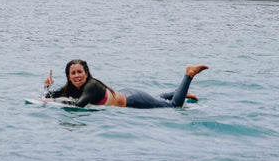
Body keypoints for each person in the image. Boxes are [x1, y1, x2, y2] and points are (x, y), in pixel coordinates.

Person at [43, 60, 208, 108]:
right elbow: (47, 96)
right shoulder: (70, 87)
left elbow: (79, 106)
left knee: (173, 106)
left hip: (133, 99)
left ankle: (189, 74)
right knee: (157, 98)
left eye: (80, 72)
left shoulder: (91, 86)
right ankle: (180, 91)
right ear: (68, 76)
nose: (77, 75)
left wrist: (56, 102)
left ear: (86, 74)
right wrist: (47, 87)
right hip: (123, 94)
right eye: (73, 73)